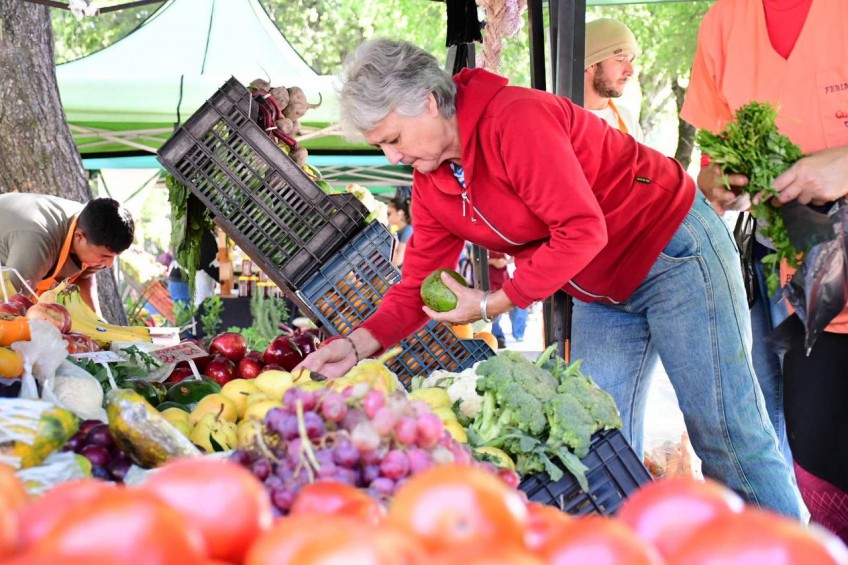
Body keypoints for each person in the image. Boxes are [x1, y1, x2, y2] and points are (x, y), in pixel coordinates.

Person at [297, 38, 800, 517]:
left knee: (725, 433)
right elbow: (415, 286)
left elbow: (581, 229)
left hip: (672, 249)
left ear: (428, 103)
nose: (392, 157)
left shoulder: (515, 118)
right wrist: (357, 345)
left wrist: (494, 303)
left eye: (393, 139)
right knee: (593, 443)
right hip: (598, 288)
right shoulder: (432, 183)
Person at [681, 0, 848, 539]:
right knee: (819, 464)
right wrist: (719, 180)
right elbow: (716, 155)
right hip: (814, 286)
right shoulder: (724, 22)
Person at [0, 194, 134, 313]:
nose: (109, 264)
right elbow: (9, 306)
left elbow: (84, 276)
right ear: (79, 237)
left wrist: (95, 319)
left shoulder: (92, 227)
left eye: (114, 257)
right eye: (105, 256)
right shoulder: (36, 245)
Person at [584, 18, 644, 142]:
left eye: (631, 61)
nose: (630, 71)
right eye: (620, 60)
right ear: (591, 65)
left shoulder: (629, 122)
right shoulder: (561, 120)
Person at [487, 251, 509, 349]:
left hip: (503, 278)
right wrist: (493, 262)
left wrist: (506, 262)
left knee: (497, 310)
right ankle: (497, 336)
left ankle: (496, 336)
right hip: (489, 279)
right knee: (493, 309)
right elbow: (474, 258)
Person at [387, 189, 413, 267]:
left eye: (389, 213)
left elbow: (397, 260)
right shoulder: (400, 230)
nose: (387, 217)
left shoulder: (408, 230)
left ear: (400, 213)